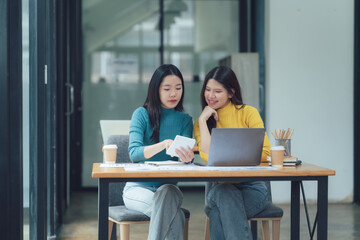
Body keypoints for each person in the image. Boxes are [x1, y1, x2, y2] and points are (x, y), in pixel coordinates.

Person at [193, 66, 271, 240]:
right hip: (220, 189)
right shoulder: (202, 123)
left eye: (217, 91)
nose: (210, 95)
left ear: (231, 92)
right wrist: (203, 121)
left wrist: (228, 160)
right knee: (224, 192)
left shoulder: (248, 113)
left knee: (217, 212)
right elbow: (207, 155)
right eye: (207, 89)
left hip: (253, 189)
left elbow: (265, 152)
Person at [123, 64, 194, 240]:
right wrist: (163, 145)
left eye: (178, 88)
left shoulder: (185, 120)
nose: (173, 94)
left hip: (169, 188)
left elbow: (182, 159)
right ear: (156, 90)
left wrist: (187, 158)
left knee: (167, 193)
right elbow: (134, 153)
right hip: (138, 188)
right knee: (175, 215)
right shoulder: (141, 114)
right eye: (167, 88)